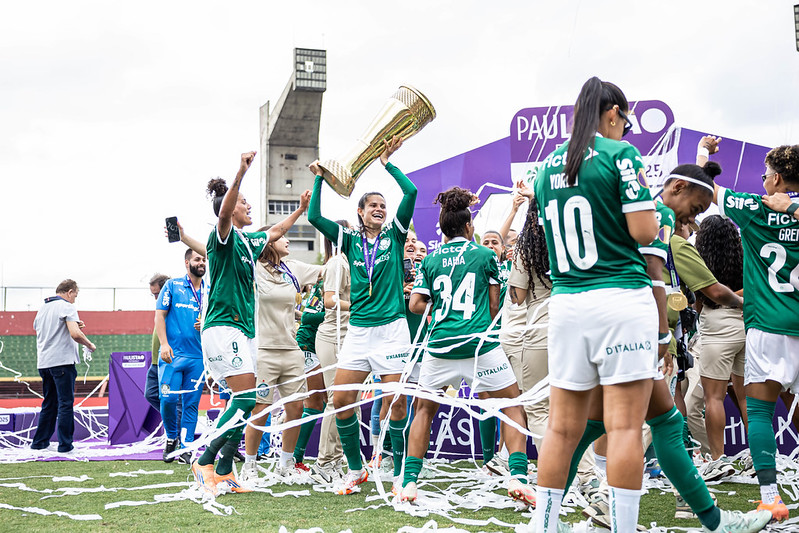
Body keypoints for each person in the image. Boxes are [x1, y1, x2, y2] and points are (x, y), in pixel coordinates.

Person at [531, 77, 660, 533]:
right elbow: (645, 232)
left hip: (567, 304)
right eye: (625, 121)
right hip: (620, 298)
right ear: (612, 114)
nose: (625, 130)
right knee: (623, 427)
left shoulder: (546, 167)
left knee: (560, 429)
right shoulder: (620, 154)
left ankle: (545, 525)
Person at [402, 186, 534, 506]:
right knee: (512, 407)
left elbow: (416, 304)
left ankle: (409, 483)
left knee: (424, 411)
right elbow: (493, 306)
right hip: (479, 345)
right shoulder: (486, 255)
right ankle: (518, 477)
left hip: (440, 345)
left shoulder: (430, 259)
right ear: (468, 226)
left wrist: (439, 309)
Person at [190, 151, 309, 495]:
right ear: (230, 209)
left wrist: (300, 209)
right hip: (223, 326)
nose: (248, 206)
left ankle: (225, 470)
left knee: (251, 401)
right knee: (244, 400)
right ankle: (205, 460)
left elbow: (276, 231)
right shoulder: (223, 236)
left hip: (244, 332)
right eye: (243, 202)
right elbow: (223, 213)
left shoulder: (249, 241)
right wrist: (240, 174)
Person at [307, 136, 417, 495]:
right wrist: (320, 177)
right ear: (360, 211)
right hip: (358, 332)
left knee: (396, 402)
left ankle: (400, 471)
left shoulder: (395, 236)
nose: (380, 209)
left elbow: (411, 192)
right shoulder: (349, 240)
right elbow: (314, 217)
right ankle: (356, 469)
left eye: (383, 205)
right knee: (341, 401)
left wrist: (387, 164)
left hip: (392, 330)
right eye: (373, 205)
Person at [711, 143, 799, 522]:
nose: (763, 182)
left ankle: (770, 499)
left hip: (767, 324)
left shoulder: (754, 208)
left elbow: (705, 188)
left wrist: (704, 155)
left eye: (765, 175)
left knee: (760, 411)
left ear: (777, 178)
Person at [241, 225, 322, 480]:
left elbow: (327, 271)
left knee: (296, 408)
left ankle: (286, 463)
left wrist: (345, 245)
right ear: (268, 242)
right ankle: (249, 464)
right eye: (281, 236)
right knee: (261, 410)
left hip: (291, 349)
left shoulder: (294, 268)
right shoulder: (252, 268)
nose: (287, 240)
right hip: (263, 350)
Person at [694, 215, 746, 472]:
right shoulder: (745, 256)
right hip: (746, 323)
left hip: (716, 328)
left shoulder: (698, 260)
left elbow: (699, 302)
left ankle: (718, 459)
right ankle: (759, 457)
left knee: (713, 398)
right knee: (748, 399)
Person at [308, 223, 352, 484]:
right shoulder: (337, 262)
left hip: (348, 337)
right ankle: (324, 463)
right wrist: (359, 305)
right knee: (336, 400)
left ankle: (335, 459)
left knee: (348, 401)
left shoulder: (350, 262)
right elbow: (329, 300)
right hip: (334, 336)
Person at [31, 279, 96, 453]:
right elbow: (75, 334)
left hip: (44, 362)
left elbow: (47, 329)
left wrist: (73, 325)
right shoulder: (67, 307)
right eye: (75, 295)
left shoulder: (43, 308)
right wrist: (89, 345)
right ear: (69, 292)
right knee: (65, 403)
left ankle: (40, 443)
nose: (75, 299)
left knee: (49, 403)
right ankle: (65, 445)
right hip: (62, 362)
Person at [155, 249, 206, 464]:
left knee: (191, 403)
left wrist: (207, 323)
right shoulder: (172, 286)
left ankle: (186, 447)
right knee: (167, 399)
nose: (202, 262)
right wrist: (164, 344)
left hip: (198, 357)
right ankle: (170, 437)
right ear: (187, 263)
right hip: (172, 356)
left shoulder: (210, 289)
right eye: (197, 259)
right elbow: (160, 315)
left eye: (204, 259)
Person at [145, 273, 169, 413]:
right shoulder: (160, 309)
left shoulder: (175, 307)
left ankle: (176, 425)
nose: (155, 298)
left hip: (167, 361)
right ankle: (170, 419)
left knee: (173, 398)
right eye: (153, 294)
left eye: (157, 294)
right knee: (150, 394)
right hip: (156, 362)